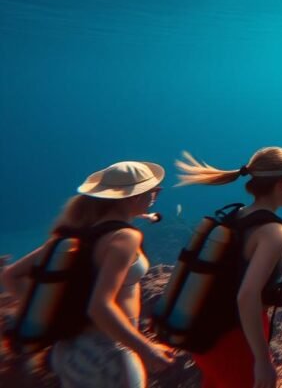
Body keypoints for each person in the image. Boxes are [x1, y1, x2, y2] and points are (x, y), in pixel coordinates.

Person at [1, 161, 176, 388]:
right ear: (135, 196)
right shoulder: (125, 237)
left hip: (67, 350)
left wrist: (55, 314)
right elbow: (100, 306)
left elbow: (11, 276)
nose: (156, 196)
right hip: (106, 350)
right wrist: (147, 349)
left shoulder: (79, 234)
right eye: (154, 191)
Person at [175, 146, 282, 388]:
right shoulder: (274, 231)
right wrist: (262, 359)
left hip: (208, 336)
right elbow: (247, 296)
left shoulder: (234, 216)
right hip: (237, 340)